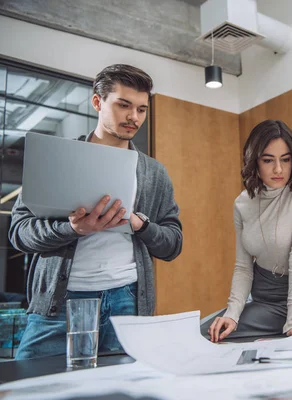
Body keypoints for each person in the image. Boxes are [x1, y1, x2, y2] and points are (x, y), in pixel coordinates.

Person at [10, 64, 183, 359]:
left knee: (119, 390)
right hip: (58, 301)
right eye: (124, 105)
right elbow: (20, 232)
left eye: (142, 109)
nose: (134, 117)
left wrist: (141, 226)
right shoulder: (57, 160)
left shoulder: (155, 173)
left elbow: (173, 244)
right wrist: (73, 229)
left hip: (126, 301)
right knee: (34, 386)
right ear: (97, 102)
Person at [206, 120, 292, 342]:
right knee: (209, 328)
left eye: (285, 160)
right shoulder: (242, 203)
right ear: (255, 162)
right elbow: (243, 267)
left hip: (285, 302)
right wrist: (232, 314)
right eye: (268, 160)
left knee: (205, 335)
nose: (278, 169)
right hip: (255, 297)